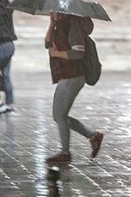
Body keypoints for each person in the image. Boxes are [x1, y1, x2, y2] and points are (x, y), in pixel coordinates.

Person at [44, 12, 103, 164]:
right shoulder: (60, 26)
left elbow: (78, 52)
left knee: (59, 115)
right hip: (66, 75)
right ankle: (93, 135)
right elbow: (47, 43)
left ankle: (65, 152)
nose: (52, 13)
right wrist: (51, 24)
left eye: (55, 10)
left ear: (63, 12)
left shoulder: (72, 27)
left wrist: (57, 53)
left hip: (73, 76)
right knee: (59, 116)